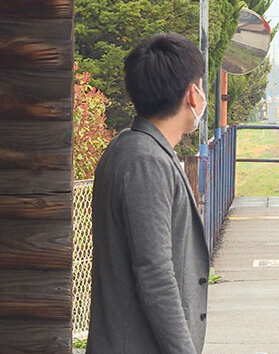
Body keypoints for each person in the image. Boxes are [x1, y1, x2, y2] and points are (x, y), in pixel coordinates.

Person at [87, 33, 209, 354]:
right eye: (201, 85)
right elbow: (155, 274)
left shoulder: (131, 148)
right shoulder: (146, 161)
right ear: (192, 94)